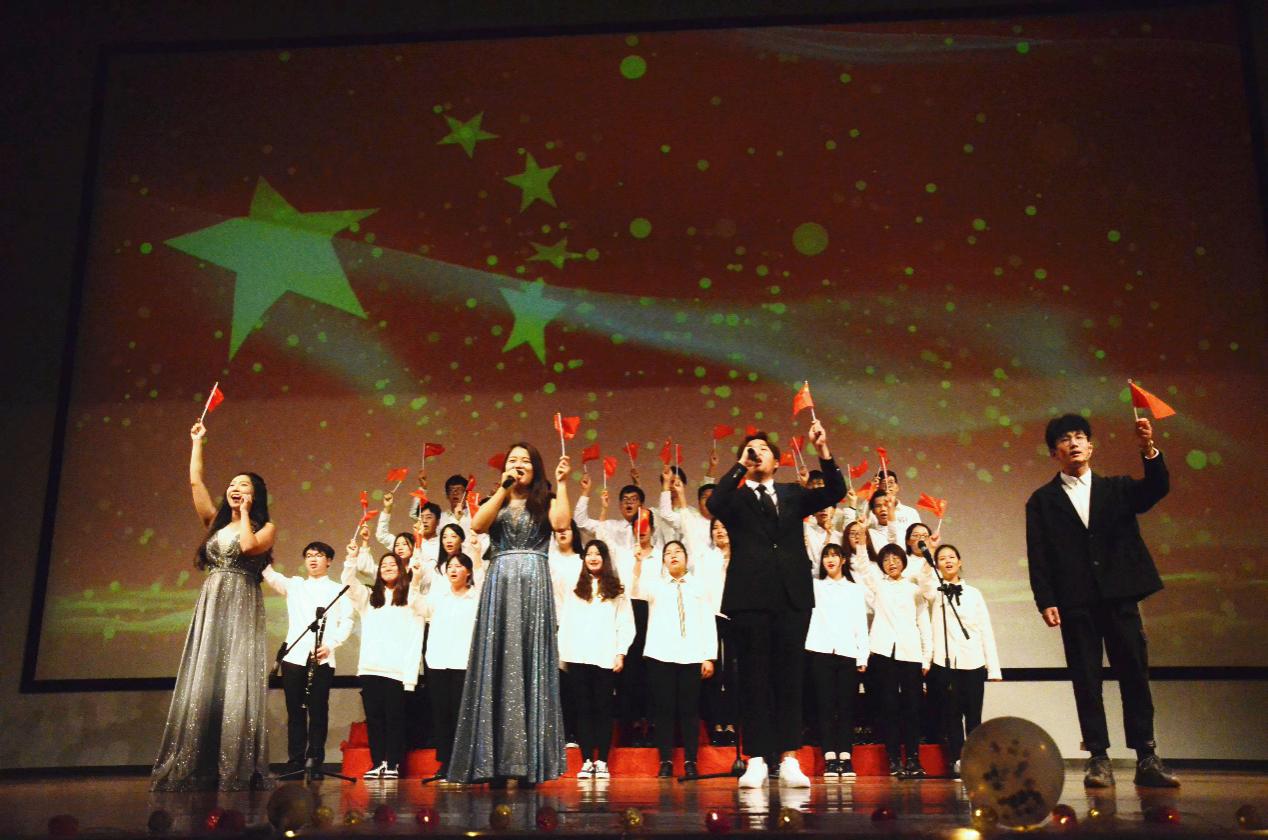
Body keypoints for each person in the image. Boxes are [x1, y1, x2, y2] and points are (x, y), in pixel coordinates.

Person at [1025, 414, 1178, 788]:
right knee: (1086, 680)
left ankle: (1146, 756)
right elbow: (1038, 554)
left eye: (1080, 436)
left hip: (1119, 597)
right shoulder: (1042, 501)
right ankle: (1098, 758)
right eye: (1065, 439)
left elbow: (1156, 488)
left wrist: (1148, 449)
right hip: (1076, 602)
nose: (1074, 443)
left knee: (1134, 676)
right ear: (1054, 452)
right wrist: (1045, 599)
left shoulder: (1117, 488)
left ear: (1091, 446)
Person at [705, 423, 846, 788]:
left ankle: (789, 758)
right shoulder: (736, 498)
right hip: (749, 599)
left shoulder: (792, 493)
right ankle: (755, 759)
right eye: (750, 449)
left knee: (790, 679)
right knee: (754, 679)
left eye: (763, 449)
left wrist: (823, 450)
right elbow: (713, 504)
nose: (756, 453)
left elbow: (836, 490)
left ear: (778, 461)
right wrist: (740, 465)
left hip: (791, 596)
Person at [151, 422, 276, 792]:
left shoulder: (266, 527)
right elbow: (195, 482)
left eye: (245, 486)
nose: (236, 489)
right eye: (233, 484)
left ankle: (233, 763)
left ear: (256, 495)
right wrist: (197, 442)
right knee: (207, 670)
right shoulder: (213, 523)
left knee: (235, 673)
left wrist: (244, 515)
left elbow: (249, 547)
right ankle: (196, 758)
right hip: (213, 599)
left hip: (242, 602)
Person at [447, 442, 572, 786]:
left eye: (525, 461)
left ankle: (528, 763)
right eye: (513, 460)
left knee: (529, 664)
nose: (518, 465)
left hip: (533, 585)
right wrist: (502, 489)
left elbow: (561, 523)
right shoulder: (498, 498)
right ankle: (492, 761)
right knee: (499, 663)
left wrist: (562, 482)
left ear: (536, 467)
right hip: (500, 584)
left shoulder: (545, 499)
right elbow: (477, 525)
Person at [262, 541, 353, 777]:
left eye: (319, 555)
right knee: (295, 712)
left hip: (322, 658)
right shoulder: (295, 585)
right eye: (309, 555)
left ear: (329, 561)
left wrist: (331, 645)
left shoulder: (338, 589)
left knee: (318, 712)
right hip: (294, 657)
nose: (313, 559)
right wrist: (260, 545)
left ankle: (315, 762)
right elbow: (269, 574)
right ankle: (296, 761)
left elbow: (347, 621)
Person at [633, 540, 717, 780]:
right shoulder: (657, 586)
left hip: (692, 655)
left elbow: (708, 621)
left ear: (686, 557)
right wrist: (638, 563)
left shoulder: (699, 586)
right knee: (664, 711)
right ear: (663, 562)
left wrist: (709, 656)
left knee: (690, 711)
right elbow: (635, 590)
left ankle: (691, 761)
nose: (673, 555)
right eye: (668, 553)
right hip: (661, 655)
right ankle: (665, 761)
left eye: (678, 551)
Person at [342, 545, 427, 779]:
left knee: (395, 719)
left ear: (401, 570)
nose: (387, 568)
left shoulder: (410, 598)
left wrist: (410, 676)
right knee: (375, 719)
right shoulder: (369, 598)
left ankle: (393, 763)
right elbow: (348, 581)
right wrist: (351, 557)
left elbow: (418, 627)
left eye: (392, 565)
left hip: (396, 670)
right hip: (370, 667)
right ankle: (378, 762)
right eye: (384, 565)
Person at [851, 543, 931, 778]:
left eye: (895, 558)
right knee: (889, 707)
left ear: (903, 561)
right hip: (884, 653)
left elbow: (924, 622)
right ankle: (894, 759)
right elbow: (864, 568)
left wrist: (927, 656)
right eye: (886, 560)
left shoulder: (914, 589)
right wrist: (861, 542)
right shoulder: (879, 586)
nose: (891, 563)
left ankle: (913, 759)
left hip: (911, 653)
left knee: (912, 708)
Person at [920, 543, 1001, 776]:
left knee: (974, 715)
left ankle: (975, 760)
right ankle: (957, 759)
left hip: (973, 660)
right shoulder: (934, 591)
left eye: (951, 557)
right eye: (942, 558)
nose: (947, 561)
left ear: (959, 561)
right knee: (952, 716)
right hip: (946, 662)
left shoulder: (974, 594)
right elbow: (923, 583)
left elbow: (985, 629)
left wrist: (993, 668)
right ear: (937, 564)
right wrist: (928, 557)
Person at [558, 539, 634, 779]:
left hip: (604, 656)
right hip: (578, 656)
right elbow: (566, 622)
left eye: (597, 554)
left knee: (603, 709)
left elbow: (625, 624)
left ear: (605, 558)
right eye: (589, 554)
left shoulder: (616, 590)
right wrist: (563, 656)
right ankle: (586, 761)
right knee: (583, 709)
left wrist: (620, 652)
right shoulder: (575, 589)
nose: (592, 557)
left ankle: (602, 761)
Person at [805, 543, 869, 779]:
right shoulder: (816, 587)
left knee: (845, 707)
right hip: (821, 651)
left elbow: (860, 623)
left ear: (843, 560)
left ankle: (846, 755)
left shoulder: (854, 590)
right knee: (824, 705)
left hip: (847, 651)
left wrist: (862, 655)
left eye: (834, 555)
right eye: (826, 556)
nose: (830, 560)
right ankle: (830, 756)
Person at [422, 552, 480, 780]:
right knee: (441, 715)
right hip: (438, 661)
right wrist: (415, 580)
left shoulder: (476, 597)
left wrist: (477, 552)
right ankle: (445, 763)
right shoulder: (439, 596)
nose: (453, 570)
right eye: (450, 567)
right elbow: (419, 608)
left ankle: (465, 763)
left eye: (458, 566)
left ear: (469, 572)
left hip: (464, 663)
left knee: (462, 715)